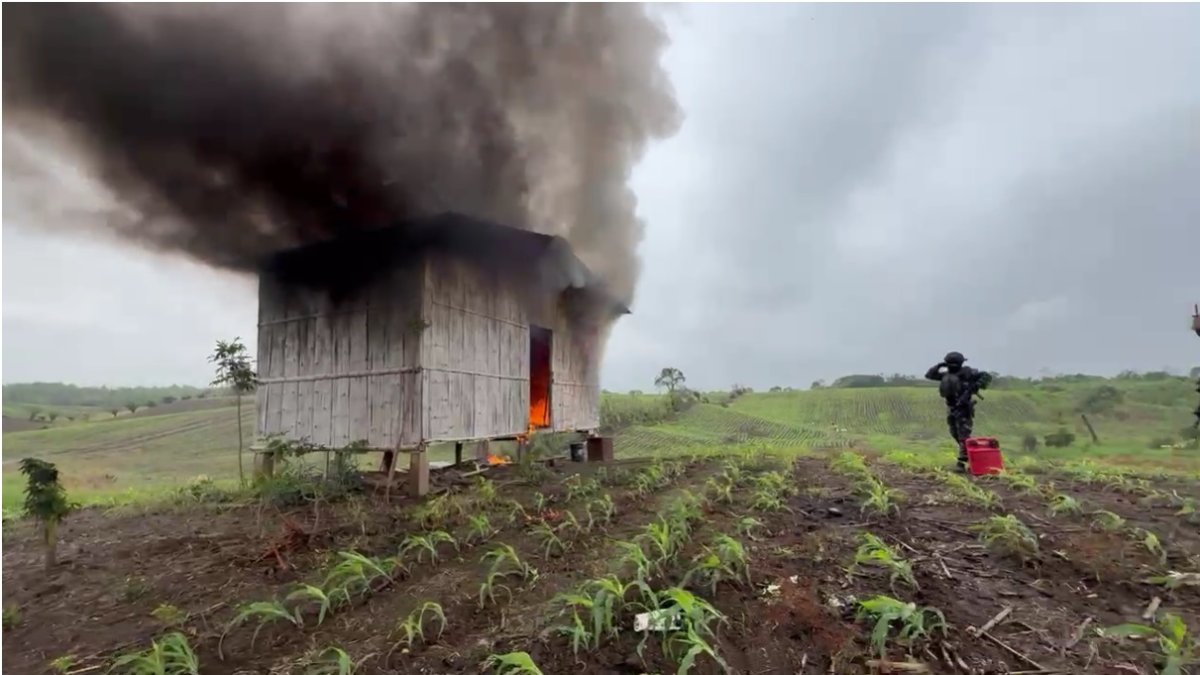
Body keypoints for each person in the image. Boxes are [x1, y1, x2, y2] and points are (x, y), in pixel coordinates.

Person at [925, 351, 991, 471]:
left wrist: (976, 385)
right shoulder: (946, 375)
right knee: (954, 432)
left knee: (963, 434)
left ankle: (962, 462)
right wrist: (939, 366)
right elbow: (929, 375)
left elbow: (986, 376)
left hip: (964, 407)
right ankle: (970, 451)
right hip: (951, 407)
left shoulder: (968, 373)